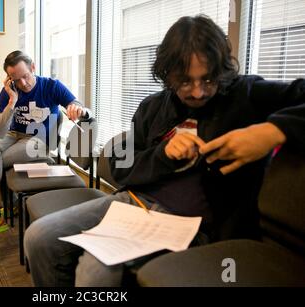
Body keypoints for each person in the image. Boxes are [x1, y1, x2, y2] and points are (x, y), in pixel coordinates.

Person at [23, 15, 305, 287]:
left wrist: (273, 131)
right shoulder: (152, 107)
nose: (197, 92)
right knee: (38, 237)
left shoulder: (245, 94)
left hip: (196, 225)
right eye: (185, 81)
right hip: (134, 204)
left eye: (208, 80)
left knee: (95, 268)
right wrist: (164, 154)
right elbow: (122, 167)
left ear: (220, 70)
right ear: (167, 75)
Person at [0, 50, 90, 239]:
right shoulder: (9, 92)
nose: (23, 84)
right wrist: (12, 101)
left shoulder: (51, 86)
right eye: (16, 80)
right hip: (13, 135)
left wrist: (76, 107)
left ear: (33, 67)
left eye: (25, 76)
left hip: (39, 140)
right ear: (9, 79)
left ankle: (3, 210)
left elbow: (75, 102)